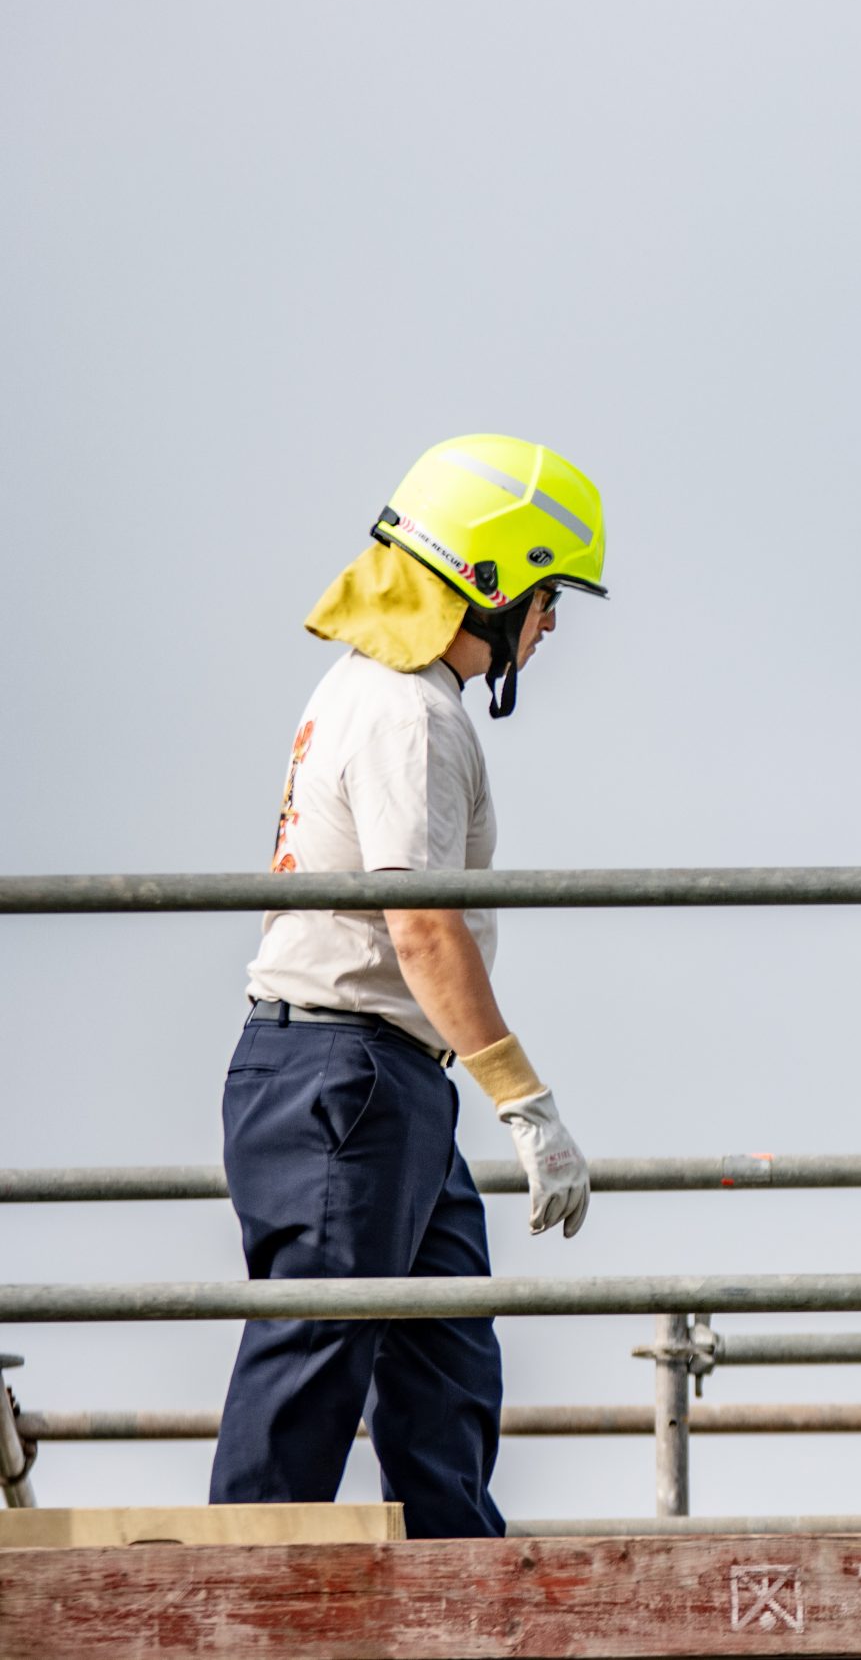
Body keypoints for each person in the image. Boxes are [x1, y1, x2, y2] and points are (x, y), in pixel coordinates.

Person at [211, 434, 607, 1537]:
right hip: (349, 1073)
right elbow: (423, 927)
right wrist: (525, 1101)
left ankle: (461, 1599)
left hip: (382, 1077)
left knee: (447, 1372)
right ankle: (231, 1606)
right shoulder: (407, 714)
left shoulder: (380, 693)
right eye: (549, 594)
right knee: (311, 1367)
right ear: (492, 579)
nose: (552, 624)